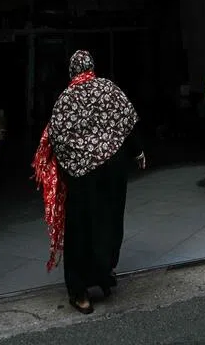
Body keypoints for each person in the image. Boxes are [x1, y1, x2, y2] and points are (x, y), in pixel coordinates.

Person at [33, 50, 146, 315]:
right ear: (92, 66)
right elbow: (127, 123)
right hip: (113, 172)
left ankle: (79, 291)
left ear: (72, 70)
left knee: (80, 228)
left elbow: (57, 138)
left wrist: (70, 165)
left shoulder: (65, 98)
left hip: (82, 176)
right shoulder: (109, 89)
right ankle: (104, 272)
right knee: (110, 220)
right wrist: (138, 152)